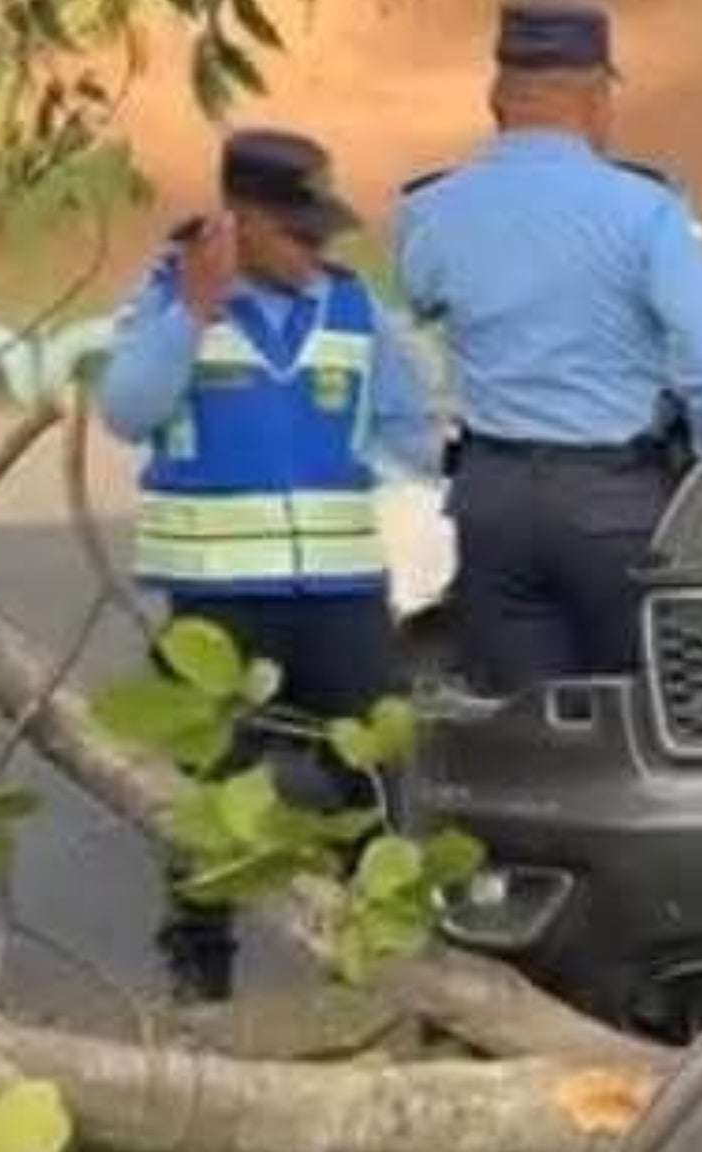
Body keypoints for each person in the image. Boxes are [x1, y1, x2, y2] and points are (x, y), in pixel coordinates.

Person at [96, 128, 442, 1002]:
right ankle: (200, 977)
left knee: (371, 777)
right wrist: (194, 311)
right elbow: (127, 411)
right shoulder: (165, 303)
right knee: (206, 790)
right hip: (217, 603)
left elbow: (415, 430)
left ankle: (387, 970)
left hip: (342, 595)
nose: (319, 248)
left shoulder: (356, 310)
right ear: (240, 221)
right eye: (300, 231)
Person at [395, 0, 702, 694]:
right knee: (652, 715)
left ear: (496, 98)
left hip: (491, 500)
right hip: (616, 501)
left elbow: (412, 325)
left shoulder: (432, 210)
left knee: (524, 733)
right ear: (595, 95)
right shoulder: (647, 208)